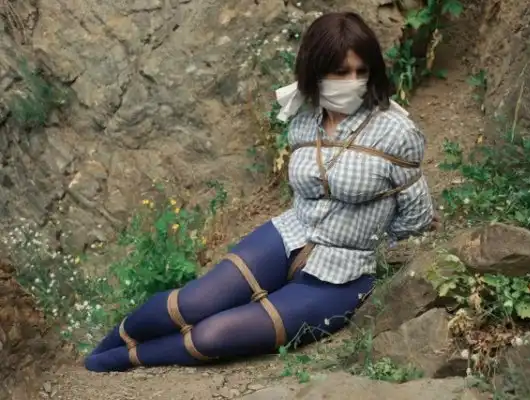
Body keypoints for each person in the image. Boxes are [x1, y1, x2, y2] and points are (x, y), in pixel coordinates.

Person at [84, 11, 436, 373]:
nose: (352, 82)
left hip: (344, 271)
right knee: (193, 303)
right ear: (316, 70)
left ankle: (129, 359)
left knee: (212, 335)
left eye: (361, 71)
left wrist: (372, 242)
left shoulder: (396, 132)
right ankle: (112, 342)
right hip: (289, 236)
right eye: (340, 72)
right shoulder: (305, 117)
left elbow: (418, 216)